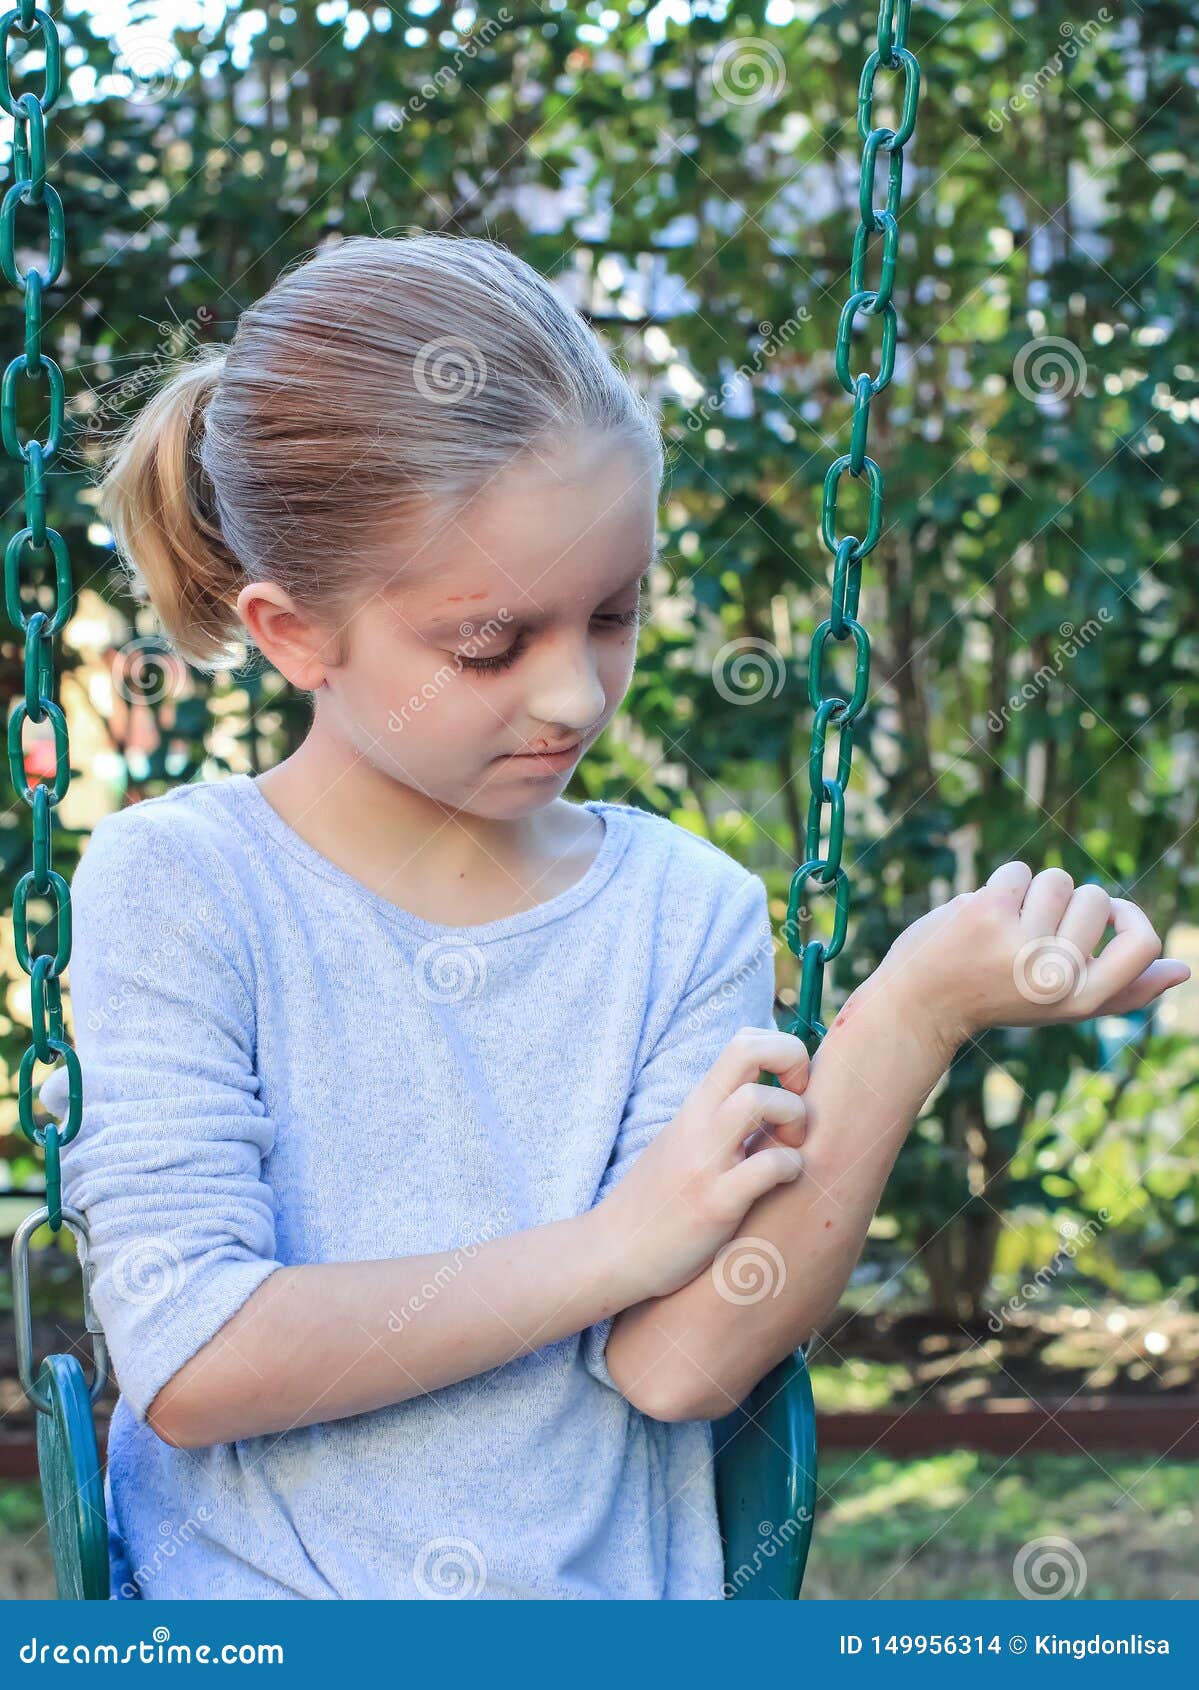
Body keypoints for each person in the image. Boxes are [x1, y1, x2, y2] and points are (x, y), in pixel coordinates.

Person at [38, 233, 1188, 1600]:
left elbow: (678, 1359)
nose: (577, 694)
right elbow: (198, 1359)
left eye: (614, 614)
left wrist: (915, 1009)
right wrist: (605, 1247)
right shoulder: (187, 883)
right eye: (492, 642)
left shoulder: (677, 908)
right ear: (294, 633)